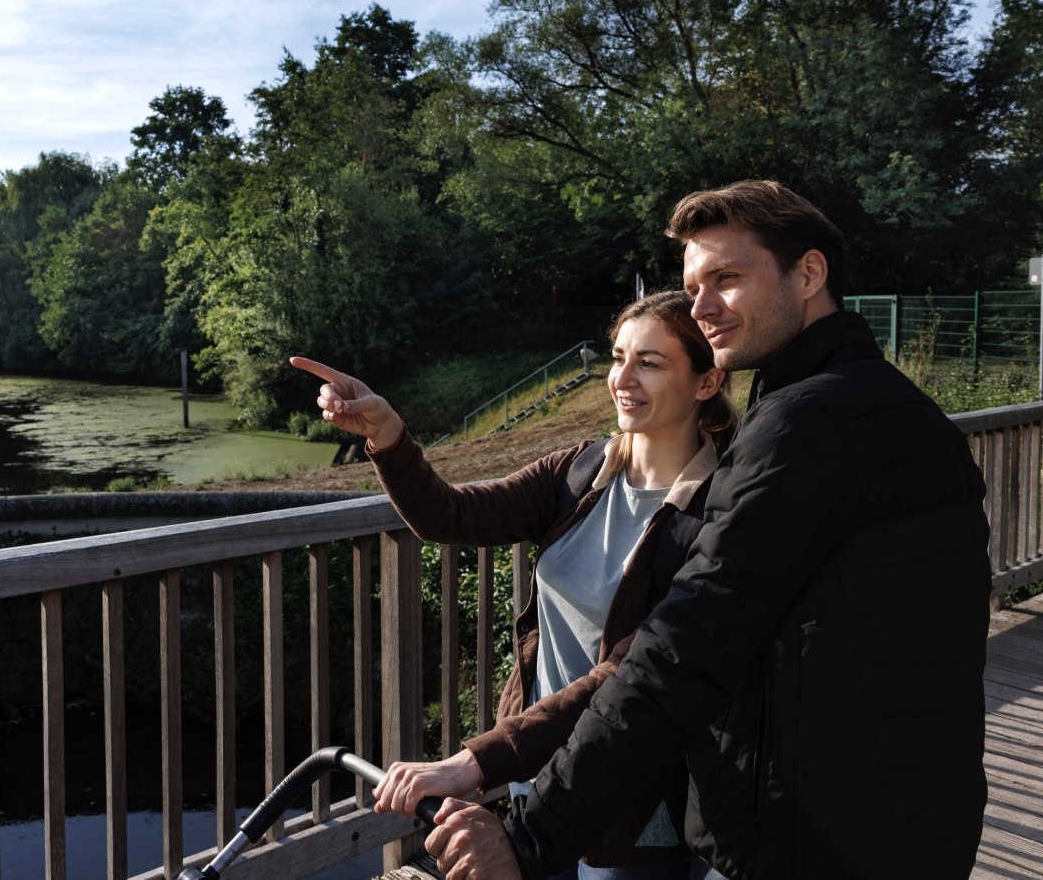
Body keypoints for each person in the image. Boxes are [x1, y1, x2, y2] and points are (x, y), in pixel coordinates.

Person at [423, 180, 992, 880]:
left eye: (726, 278)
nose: (702, 306)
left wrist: (530, 839)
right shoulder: (902, 412)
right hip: (916, 811)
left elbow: (685, 647)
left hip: (810, 836)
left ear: (808, 274)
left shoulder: (801, 426)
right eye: (693, 285)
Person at [291, 288, 736, 880]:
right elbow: (451, 516)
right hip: (535, 767)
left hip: (629, 785)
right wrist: (388, 435)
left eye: (650, 362)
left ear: (706, 383)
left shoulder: (716, 513)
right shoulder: (579, 471)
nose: (622, 377)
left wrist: (475, 761)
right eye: (618, 356)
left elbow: (628, 676)